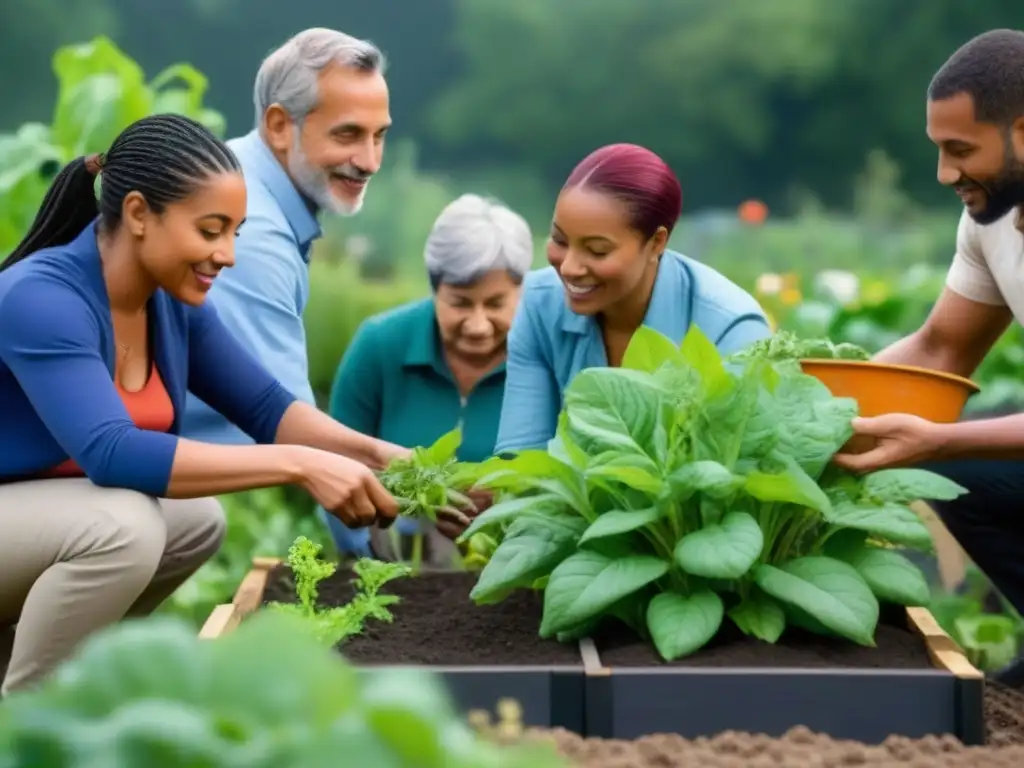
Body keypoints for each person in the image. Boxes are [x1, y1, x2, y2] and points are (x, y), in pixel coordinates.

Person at [0, 114, 406, 696]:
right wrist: (301, 465)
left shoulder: (168, 302)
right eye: (211, 230)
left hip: (28, 527)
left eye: (236, 233)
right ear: (139, 214)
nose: (227, 254)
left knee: (193, 522)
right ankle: (31, 723)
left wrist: (379, 455)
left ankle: (64, 689)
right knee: (126, 528)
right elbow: (111, 452)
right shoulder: (43, 299)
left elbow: (268, 409)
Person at [830, 29, 1024, 684]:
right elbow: (942, 346)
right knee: (966, 467)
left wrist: (936, 439)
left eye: (960, 150)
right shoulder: (992, 220)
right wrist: (812, 411)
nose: (945, 174)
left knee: (953, 450)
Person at [182, 27, 391, 444]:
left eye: (379, 135)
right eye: (347, 134)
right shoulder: (252, 234)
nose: (369, 161)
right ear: (279, 126)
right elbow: (288, 434)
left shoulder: (238, 173)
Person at [494, 143, 772, 454]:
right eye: (559, 240)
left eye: (597, 250)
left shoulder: (730, 326)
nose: (569, 267)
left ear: (656, 243)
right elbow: (521, 459)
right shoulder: (538, 303)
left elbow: (729, 473)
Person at [323, 194, 533, 561]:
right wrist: (373, 559)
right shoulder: (381, 345)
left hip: (517, 568)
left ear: (522, 292)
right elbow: (332, 465)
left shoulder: (544, 359)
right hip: (391, 563)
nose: (479, 325)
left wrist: (506, 505)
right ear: (435, 289)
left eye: (496, 304)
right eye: (461, 303)